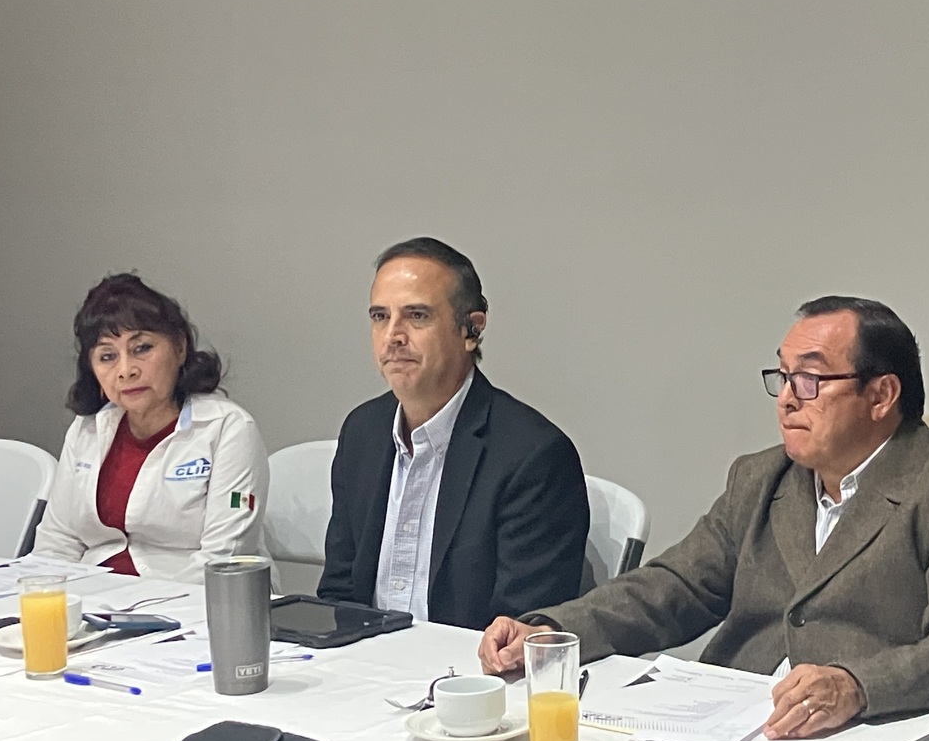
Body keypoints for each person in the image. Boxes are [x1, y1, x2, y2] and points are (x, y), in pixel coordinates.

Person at [480, 296, 929, 739]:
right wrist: (553, 629)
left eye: (809, 380)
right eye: (782, 377)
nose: (786, 399)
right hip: (734, 721)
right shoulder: (762, 477)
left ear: (881, 394)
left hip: (866, 737)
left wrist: (856, 685)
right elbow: (676, 586)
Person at [317, 237, 589, 630]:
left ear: (471, 330)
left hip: (471, 666)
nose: (393, 336)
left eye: (417, 316)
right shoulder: (362, 433)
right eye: (380, 316)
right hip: (362, 659)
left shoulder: (533, 455)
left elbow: (522, 628)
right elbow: (339, 594)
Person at [32, 273, 268, 583]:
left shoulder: (227, 428)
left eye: (142, 348)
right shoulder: (87, 429)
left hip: (197, 601)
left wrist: (134, 600)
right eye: (107, 356)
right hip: (93, 598)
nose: (126, 370)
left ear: (179, 348)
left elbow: (224, 559)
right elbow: (57, 542)